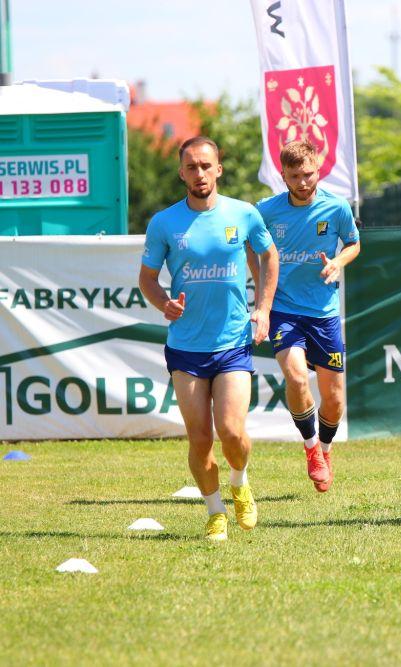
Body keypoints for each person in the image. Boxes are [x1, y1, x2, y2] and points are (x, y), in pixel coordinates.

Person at [139, 136, 278, 542]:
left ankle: (240, 481)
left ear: (219, 169)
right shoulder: (164, 223)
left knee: (231, 432)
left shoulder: (244, 213)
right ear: (181, 173)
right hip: (186, 347)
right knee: (200, 440)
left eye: (206, 165)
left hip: (233, 342)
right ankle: (215, 512)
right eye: (191, 167)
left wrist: (263, 308)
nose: (199, 173)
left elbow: (269, 256)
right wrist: (164, 303)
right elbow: (147, 279)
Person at [252, 140, 360, 493]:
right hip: (284, 309)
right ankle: (312, 448)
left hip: (324, 313)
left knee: (335, 399)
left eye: (308, 174)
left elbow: (354, 243)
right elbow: (251, 246)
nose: (302, 182)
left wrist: (337, 262)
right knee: (297, 379)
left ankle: (325, 450)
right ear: (282, 175)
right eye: (294, 176)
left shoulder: (336, 207)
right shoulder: (266, 211)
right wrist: (262, 295)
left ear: (318, 170)